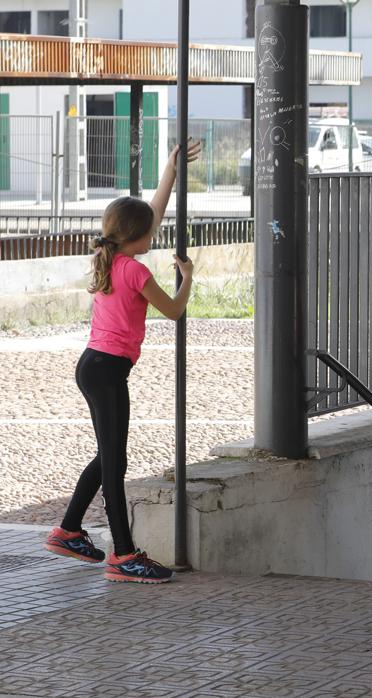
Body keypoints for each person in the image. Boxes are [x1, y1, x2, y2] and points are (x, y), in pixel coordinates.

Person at [44, 139, 203, 584]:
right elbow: (173, 311)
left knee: (111, 456)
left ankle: (68, 530)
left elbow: (150, 210)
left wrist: (170, 170)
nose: (155, 235)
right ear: (138, 236)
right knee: (115, 463)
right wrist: (187, 278)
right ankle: (124, 555)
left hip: (95, 366)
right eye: (150, 232)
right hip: (108, 370)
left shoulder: (109, 255)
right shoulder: (137, 270)